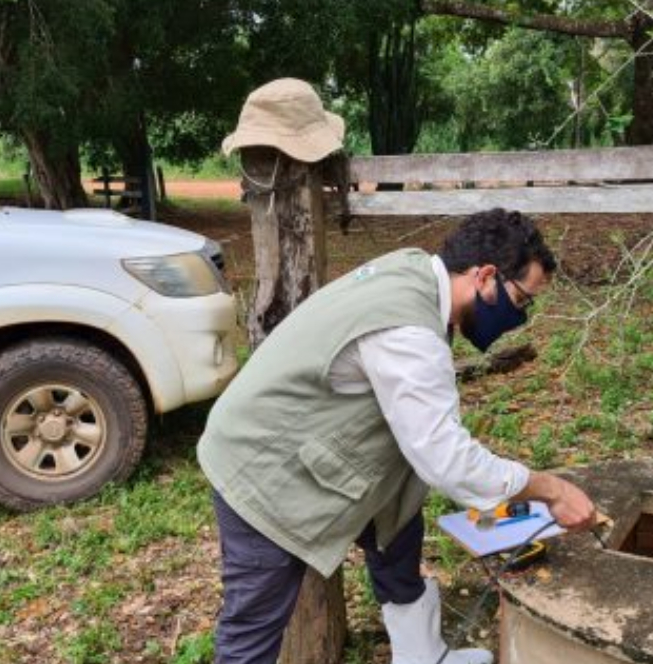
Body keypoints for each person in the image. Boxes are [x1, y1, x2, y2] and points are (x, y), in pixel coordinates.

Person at [197, 208, 597, 664]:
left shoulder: (417, 271)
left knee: (398, 528)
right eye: (522, 300)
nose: (520, 317)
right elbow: (448, 461)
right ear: (486, 276)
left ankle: (422, 655)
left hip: (324, 440)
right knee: (256, 619)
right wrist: (551, 489)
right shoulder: (409, 331)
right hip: (262, 462)